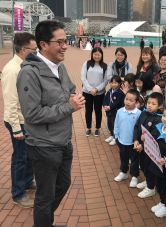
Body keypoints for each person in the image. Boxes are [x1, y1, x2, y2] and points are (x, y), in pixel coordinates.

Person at [16, 20, 85, 227]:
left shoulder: (59, 67)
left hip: (63, 140)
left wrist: (73, 95)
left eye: (66, 41)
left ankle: (44, 219)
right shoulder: (29, 73)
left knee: (63, 184)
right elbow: (32, 113)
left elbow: (69, 87)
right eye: (60, 42)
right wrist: (69, 107)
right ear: (43, 45)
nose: (65, 46)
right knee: (45, 196)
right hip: (44, 145)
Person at [1, 32, 36, 208]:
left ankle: (28, 181)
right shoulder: (12, 70)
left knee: (28, 155)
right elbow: (10, 102)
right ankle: (18, 193)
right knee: (20, 158)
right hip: (17, 121)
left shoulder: (24, 65)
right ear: (23, 50)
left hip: (26, 119)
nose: (36, 52)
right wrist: (16, 129)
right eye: (33, 49)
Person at [133, 92, 163, 193]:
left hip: (150, 149)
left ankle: (151, 188)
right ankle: (147, 181)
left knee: (149, 167)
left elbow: (154, 136)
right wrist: (136, 140)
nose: (150, 105)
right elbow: (137, 126)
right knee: (143, 165)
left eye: (153, 104)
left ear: (160, 106)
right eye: (149, 102)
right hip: (141, 147)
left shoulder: (159, 119)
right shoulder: (143, 112)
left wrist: (142, 145)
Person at [114, 89, 142, 187]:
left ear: (136, 102)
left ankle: (134, 176)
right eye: (126, 99)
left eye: (131, 100)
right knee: (123, 158)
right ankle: (124, 172)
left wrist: (138, 141)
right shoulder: (120, 111)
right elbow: (116, 124)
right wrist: (116, 136)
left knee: (134, 160)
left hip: (133, 143)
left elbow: (140, 129)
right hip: (121, 140)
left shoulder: (139, 114)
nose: (127, 102)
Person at [81, 47, 108, 136]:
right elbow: (83, 78)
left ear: (101, 55)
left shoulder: (104, 66)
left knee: (98, 110)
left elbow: (105, 81)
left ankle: (97, 128)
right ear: (92, 54)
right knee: (88, 110)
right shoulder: (87, 63)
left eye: (98, 54)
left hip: (99, 93)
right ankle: (88, 128)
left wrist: (96, 89)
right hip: (87, 92)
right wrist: (90, 89)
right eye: (95, 54)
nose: (97, 56)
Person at [103, 76, 125, 146]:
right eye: (112, 82)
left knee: (115, 125)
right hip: (109, 111)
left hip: (115, 112)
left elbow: (117, 103)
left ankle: (116, 138)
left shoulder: (120, 93)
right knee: (110, 124)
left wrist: (110, 107)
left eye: (115, 83)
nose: (113, 84)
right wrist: (104, 105)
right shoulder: (109, 91)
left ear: (119, 83)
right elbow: (105, 99)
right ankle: (112, 135)